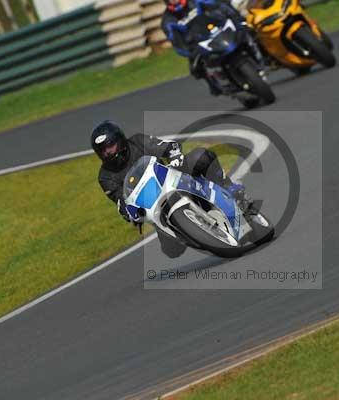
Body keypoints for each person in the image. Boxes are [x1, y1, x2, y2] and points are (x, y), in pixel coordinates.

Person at [91, 120, 253, 258]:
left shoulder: (137, 141)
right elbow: (120, 199)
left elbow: (165, 146)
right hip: (152, 203)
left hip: (172, 176)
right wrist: (128, 212)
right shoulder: (105, 176)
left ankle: (229, 188)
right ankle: (197, 232)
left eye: (110, 145)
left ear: (120, 140)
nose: (107, 152)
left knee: (200, 156)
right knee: (172, 251)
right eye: (102, 150)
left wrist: (174, 155)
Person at [160, 0, 250, 95]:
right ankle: (214, 85)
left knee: (248, 30)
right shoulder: (167, 21)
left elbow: (221, 6)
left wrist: (235, 17)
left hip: (218, 29)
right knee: (196, 67)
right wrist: (188, 51)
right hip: (199, 43)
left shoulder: (196, 1)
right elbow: (176, 43)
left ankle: (262, 53)